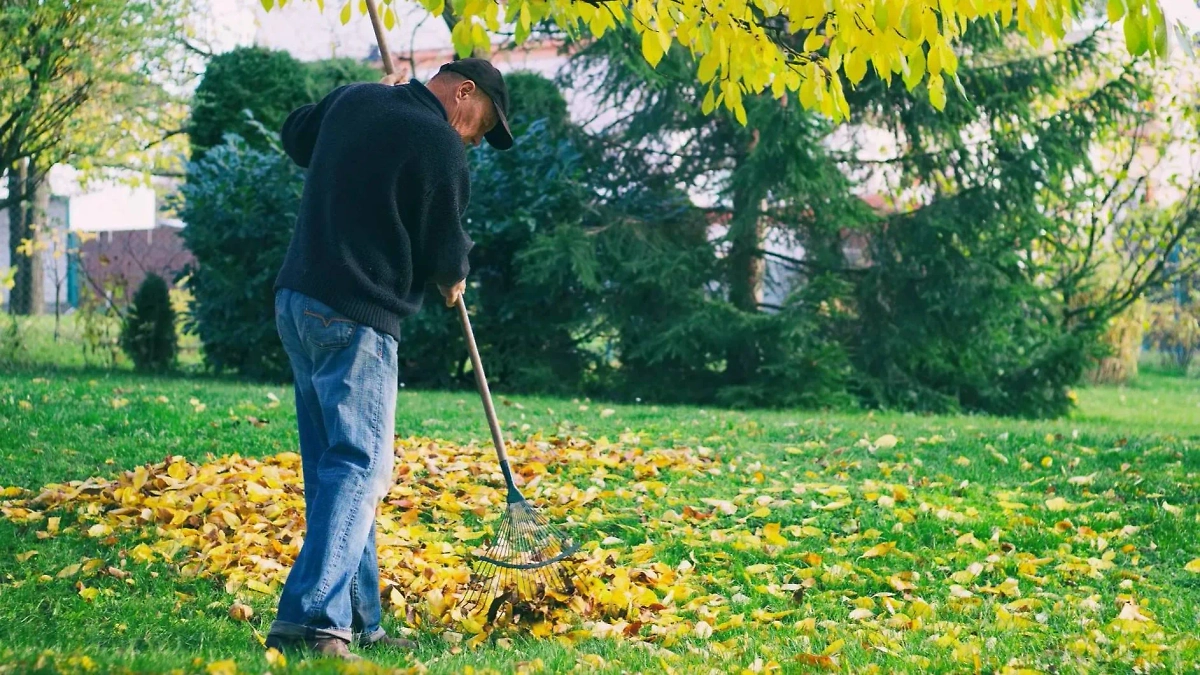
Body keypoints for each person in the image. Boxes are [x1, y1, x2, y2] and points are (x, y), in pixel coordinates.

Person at [264, 58, 513, 661]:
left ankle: (359, 619)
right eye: (482, 124)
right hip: (355, 316)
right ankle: (312, 622)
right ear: (464, 90)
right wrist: (453, 274)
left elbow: (296, 135)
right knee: (361, 468)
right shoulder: (439, 144)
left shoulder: (356, 100)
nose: (476, 138)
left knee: (334, 468)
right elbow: (444, 248)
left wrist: (347, 96)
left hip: (297, 303)